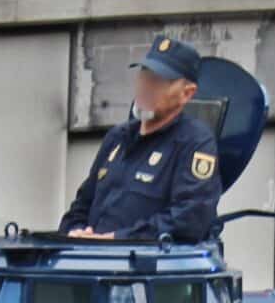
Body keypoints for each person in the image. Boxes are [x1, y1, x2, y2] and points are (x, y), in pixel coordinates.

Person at [59, 34, 222, 243]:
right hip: (90, 262)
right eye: (143, 76)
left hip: (143, 269)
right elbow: (81, 206)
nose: (145, 87)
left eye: (158, 82)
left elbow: (189, 219)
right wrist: (76, 232)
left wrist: (116, 239)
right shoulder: (117, 137)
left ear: (187, 94)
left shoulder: (194, 143)